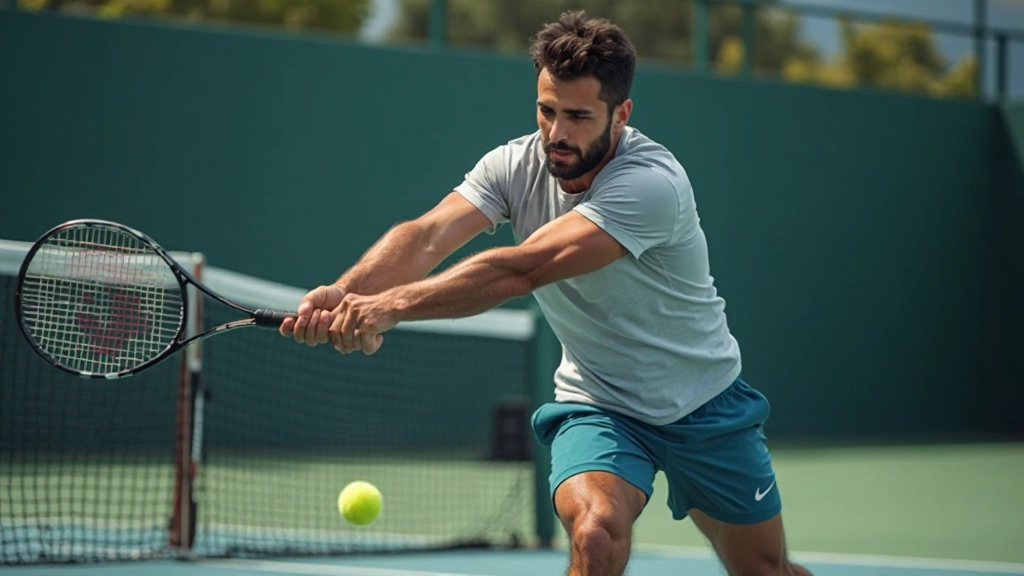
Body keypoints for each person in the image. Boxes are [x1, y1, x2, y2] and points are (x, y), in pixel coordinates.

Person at [280, 10, 811, 576]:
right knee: (596, 533)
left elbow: (524, 270)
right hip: (600, 405)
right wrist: (344, 292)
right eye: (546, 110)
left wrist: (388, 307)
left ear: (621, 113)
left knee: (765, 571)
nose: (557, 133)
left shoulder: (653, 185)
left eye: (579, 116)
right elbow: (427, 235)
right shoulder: (515, 163)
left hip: (705, 403)